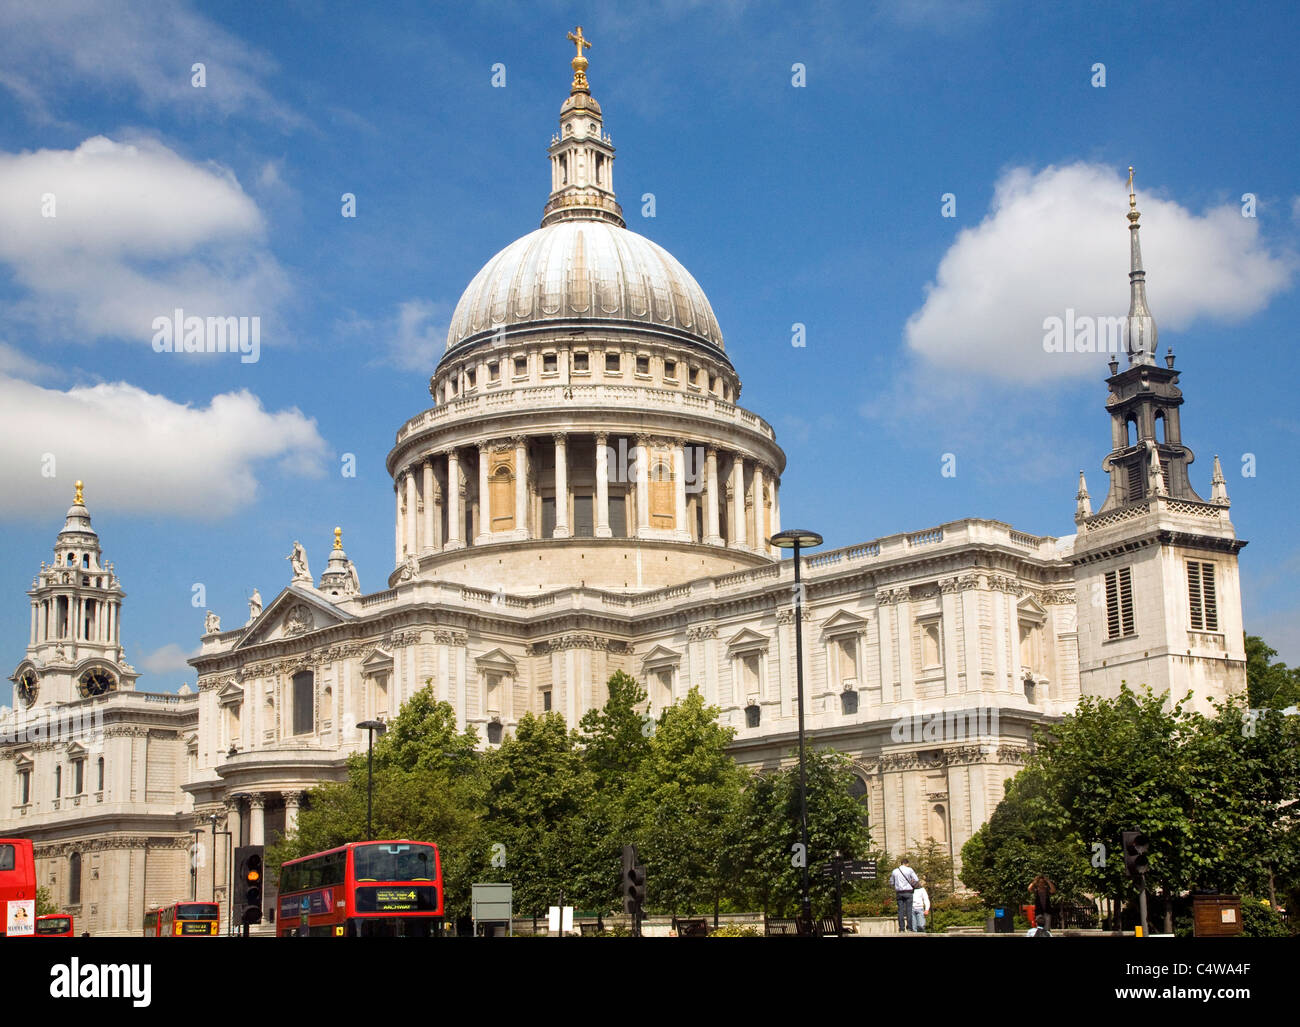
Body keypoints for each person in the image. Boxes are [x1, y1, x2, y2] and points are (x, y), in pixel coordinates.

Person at [890, 858, 920, 932]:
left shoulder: (895, 871)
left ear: (901, 863)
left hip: (899, 892)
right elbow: (916, 879)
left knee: (900, 911)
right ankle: (909, 927)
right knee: (909, 910)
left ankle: (901, 928)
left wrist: (897, 884)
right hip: (908, 892)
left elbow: (891, 882)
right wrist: (910, 881)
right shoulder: (909, 870)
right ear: (907, 864)